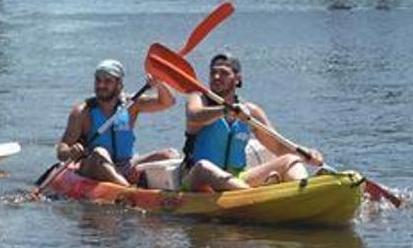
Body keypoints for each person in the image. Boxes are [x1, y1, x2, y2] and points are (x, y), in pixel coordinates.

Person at [180, 53, 324, 192]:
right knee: (204, 167)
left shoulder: (250, 111)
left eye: (224, 73)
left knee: (289, 160)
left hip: (237, 177)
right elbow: (194, 116)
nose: (216, 77)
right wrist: (226, 110)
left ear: (237, 78)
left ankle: (306, 190)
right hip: (197, 178)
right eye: (213, 73)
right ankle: (255, 194)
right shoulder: (198, 99)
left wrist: (306, 153)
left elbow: (278, 147)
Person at [56, 59, 179, 187]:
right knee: (100, 152)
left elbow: (167, 102)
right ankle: (128, 190)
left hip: (127, 164)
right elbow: (62, 149)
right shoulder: (82, 112)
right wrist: (70, 152)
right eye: (98, 80)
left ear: (119, 84)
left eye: (107, 81)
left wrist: (159, 84)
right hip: (94, 166)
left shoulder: (131, 104)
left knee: (171, 154)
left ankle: (179, 191)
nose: (101, 85)